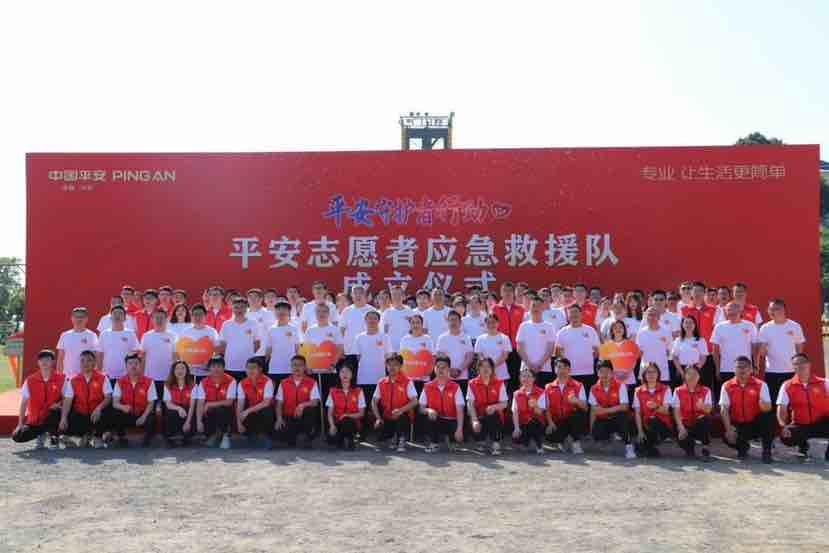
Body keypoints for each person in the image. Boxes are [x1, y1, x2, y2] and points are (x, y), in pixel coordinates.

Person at [720, 356, 774, 463]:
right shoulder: (727, 386)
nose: (742, 370)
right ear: (734, 370)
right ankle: (743, 447)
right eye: (739, 367)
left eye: (745, 367)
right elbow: (724, 409)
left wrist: (764, 405)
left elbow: (768, 407)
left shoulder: (761, 385)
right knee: (726, 436)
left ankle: (767, 451)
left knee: (767, 416)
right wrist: (729, 429)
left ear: (751, 369)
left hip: (755, 423)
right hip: (738, 424)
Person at [776, 353, 829, 460]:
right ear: (793, 367)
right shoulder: (787, 385)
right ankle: (803, 444)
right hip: (800, 424)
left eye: (803, 362)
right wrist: (783, 426)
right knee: (786, 437)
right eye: (796, 364)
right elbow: (782, 408)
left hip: (822, 423)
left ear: (809, 364)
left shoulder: (825, 383)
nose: (800, 366)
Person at [60, 350, 113, 448]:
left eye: (89, 360)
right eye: (82, 361)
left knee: (109, 410)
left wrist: (99, 408)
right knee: (66, 414)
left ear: (94, 363)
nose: (85, 363)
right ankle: (83, 437)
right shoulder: (73, 380)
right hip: (81, 414)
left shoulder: (103, 378)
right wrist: (63, 418)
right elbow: (67, 401)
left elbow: (108, 397)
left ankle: (98, 437)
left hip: (96, 415)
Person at [756, 298, 805, 404]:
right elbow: (762, 353)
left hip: (791, 371)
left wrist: (798, 367)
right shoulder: (765, 328)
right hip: (772, 372)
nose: (772, 312)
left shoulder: (795, 326)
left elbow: (799, 348)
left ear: (783, 310)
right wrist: (762, 348)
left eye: (775, 309)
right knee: (775, 401)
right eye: (770, 309)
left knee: (793, 402)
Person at [12, 350, 65, 447]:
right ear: (38, 362)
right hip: (35, 421)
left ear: (53, 362)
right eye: (41, 360)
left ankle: (54, 437)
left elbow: (68, 398)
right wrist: (20, 424)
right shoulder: (30, 380)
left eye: (47, 359)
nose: (44, 362)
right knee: (17, 436)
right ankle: (42, 433)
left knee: (56, 412)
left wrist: (60, 404)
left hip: (51, 416)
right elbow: (23, 403)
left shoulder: (62, 378)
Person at [589, 360, 636, 459]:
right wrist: (592, 430)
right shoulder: (593, 388)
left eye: (607, 371)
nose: (604, 374)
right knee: (597, 432)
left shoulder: (620, 385)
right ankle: (608, 438)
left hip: (618, 418)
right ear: (597, 373)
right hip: (604, 419)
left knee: (622, 416)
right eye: (601, 371)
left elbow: (624, 406)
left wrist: (605, 410)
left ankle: (628, 445)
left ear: (612, 373)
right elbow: (594, 410)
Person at [372, 354, 418, 452]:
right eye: (389, 364)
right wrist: (378, 418)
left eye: (395, 365)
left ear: (401, 366)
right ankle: (391, 438)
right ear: (386, 366)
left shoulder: (407, 381)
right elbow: (374, 401)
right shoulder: (381, 382)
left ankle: (401, 439)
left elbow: (415, 401)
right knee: (379, 428)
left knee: (402, 418)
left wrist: (401, 410)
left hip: (402, 416)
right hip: (387, 417)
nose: (392, 367)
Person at [419, 355, 465, 453]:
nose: (440, 370)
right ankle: (434, 443)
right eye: (438, 367)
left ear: (449, 369)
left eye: (443, 367)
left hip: (451, 421)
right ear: (434, 368)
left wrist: (459, 429)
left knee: (456, 440)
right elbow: (421, 408)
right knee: (428, 416)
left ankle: (451, 440)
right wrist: (429, 410)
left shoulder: (456, 387)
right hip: (436, 419)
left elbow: (460, 411)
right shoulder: (427, 386)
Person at [543, 358, 588, 454]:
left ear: (569, 370)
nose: (562, 370)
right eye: (559, 367)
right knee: (551, 436)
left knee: (577, 415)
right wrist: (550, 423)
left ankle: (576, 442)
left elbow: (585, 407)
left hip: (573, 419)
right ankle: (565, 439)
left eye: (565, 367)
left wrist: (576, 401)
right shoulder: (548, 387)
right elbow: (546, 408)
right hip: (558, 420)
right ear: (555, 369)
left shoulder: (578, 385)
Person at [111, 353, 157, 447]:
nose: (133, 366)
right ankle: (122, 437)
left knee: (151, 416)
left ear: (140, 365)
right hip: (128, 413)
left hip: (142, 413)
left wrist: (144, 416)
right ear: (126, 366)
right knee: (115, 412)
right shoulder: (120, 382)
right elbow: (115, 403)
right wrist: (122, 407)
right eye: (130, 363)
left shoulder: (149, 381)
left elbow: (151, 402)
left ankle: (147, 438)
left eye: (136, 363)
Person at [274, 355, 321, 448]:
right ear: (291, 367)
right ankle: (293, 438)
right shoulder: (283, 382)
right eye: (294, 365)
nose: (297, 368)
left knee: (311, 410)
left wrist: (302, 405)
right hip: (289, 416)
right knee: (281, 434)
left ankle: (307, 437)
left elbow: (315, 401)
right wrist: (279, 418)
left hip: (304, 417)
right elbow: (279, 403)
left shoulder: (312, 382)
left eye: (300, 365)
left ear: (305, 367)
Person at [303, 302, 343, 406]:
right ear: (315, 313)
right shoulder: (310, 330)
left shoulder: (334, 329)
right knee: (315, 399)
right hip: (313, 370)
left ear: (328, 313)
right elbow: (306, 350)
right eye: (319, 311)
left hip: (330, 370)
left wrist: (333, 364)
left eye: (324, 311)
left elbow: (340, 349)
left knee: (329, 400)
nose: (321, 314)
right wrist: (307, 366)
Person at [467, 357, 508, 455]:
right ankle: (480, 442)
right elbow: (470, 403)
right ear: (478, 369)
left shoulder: (499, 383)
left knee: (491, 414)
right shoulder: (472, 383)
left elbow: (504, 403)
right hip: (479, 415)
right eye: (483, 366)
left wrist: (494, 407)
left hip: (494, 416)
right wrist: (474, 420)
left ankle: (495, 443)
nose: (485, 369)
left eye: (488, 366)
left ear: (492, 369)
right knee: (473, 418)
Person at [671, 364, 713, 460]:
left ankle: (705, 448)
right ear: (684, 376)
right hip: (685, 424)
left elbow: (709, 410)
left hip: (699, 424)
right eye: (689, 374)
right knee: (683, 440)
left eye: (695, 374)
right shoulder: (678, 390)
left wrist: (702, 406)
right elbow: (676, 411)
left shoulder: (706, 390)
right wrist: (681, 427)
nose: (692, 377)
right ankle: (690, 448)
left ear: (699, 376)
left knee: (704, 419)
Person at [711, 302, 758, 388]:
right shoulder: (719, 327)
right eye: (729, 310)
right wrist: (717, 368)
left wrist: (755, 365)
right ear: (725, 312)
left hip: (745, 369)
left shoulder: (750, 326)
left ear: (740, 310)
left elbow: (755, 348)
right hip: (726, 369)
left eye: (734, 309)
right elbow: (715, 349)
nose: (731, 312)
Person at [554, 305, 600, 391]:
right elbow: (557, 353)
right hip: (569, 374)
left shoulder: (590, 330)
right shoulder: (562, 332)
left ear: (581, 314)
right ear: (568, 316)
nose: (574, 315)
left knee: (586, 398)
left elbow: (597, 352)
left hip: (588, 372)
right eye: (571, 313)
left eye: (576, 312)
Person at [491, 282, 526, 393]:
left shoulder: (521, 309)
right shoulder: (495, 309)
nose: (507, 293)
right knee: (499, 379)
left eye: (510, 291)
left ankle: (514, 401)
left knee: (515, 378)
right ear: (501, 293)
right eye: (505, 291)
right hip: (500, 350)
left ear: (514, 293)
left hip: (516, 349)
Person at [633, 363, 673, 457]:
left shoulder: (666, 389)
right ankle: (649, 448)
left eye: (654, 372)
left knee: (652, 419)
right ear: (644, 375)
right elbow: (637, 413)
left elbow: (666, 411)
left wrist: (656, 407)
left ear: (658, 374)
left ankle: (654, 443)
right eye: (648, 372)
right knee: (641, 444)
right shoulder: (638, 391)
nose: (651, 374)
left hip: (663, 425)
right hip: (646, 425)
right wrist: (640, 431)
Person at [197, 356, 237, 449]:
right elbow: (200, 403)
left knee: (221, 410)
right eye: (213, 366)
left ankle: (225, 435)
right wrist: (199, 421)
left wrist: (210, 404)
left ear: (224, 368)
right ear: (209, 368)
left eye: (219, 366)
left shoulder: (231, 381)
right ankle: (213, 435)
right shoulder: (203, 382)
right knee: (207, 413)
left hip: (225, 411)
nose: (216, 369)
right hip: (210, 411)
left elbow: (229, 402)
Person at [516, 296, 556, 387]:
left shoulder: (549, 326)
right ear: (530, 308)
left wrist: (540, 364)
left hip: (544, 369)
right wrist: (530, 365)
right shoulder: (523, 326)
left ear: (543, 308)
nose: (536, 308)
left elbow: (550, 349)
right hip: (526, 369)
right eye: (533, 306)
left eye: (538, 306)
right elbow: (519, 348)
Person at [140, 309, 178, 404]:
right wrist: (142, 375)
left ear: (166, 319)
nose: (159, 320)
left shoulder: (173, 336)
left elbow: (175, 357)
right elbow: (143, 357)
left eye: (161, 318)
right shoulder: (146, 336)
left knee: (166, 405)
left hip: (167, 378)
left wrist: (173, 376)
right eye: (156, 318)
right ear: (152, 319)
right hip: (150, 378)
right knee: (151, 405)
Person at [219, 297, 262, 381]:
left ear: (246, 308)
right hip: (230, 365)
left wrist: (247, 353)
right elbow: (223, 345)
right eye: (236, 307)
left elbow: (257, 343)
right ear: (232, 308)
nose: (239, 310)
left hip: (248, 367)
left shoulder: (253, 323)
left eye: (242, 307)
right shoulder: (226, 324)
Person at [236, 356, 275, 448]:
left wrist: (247, 411)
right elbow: (240, 404)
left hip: (264, 410)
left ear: (260, 369)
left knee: (267, 410)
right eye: (248, 368)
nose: (250, 370)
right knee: (240, 412)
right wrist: (238, 423)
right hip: (252, 410)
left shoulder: (267, 381)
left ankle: (267, 437)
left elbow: (266, 402)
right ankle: (250, 436)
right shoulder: (242, 383)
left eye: (253, 368)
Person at [96, 305, 140, 385]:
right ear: (110, 317)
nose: (117, 316)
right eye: (115, 313)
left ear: (125, 318)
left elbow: (136, 351)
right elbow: (99, 354)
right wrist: (99, 372)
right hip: (108, 375)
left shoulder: (130, 333)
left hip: (126, 376)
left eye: (120, 313)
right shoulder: (104, 334)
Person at [353, 310, 389, 406]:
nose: (372, 320)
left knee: (379, 406)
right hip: (363, 378)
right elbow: (357, 357)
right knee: (364, 405)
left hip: (380, 378)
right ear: (365, 320)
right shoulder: (359, 337)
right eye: (369, 318)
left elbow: (388, 356)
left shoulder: (385, 337)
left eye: (375, 318)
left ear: (379, 321)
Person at [326, 363, 366, 450]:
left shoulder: (358, 391)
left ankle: (350, 439)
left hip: (353, 423)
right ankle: (341, 438)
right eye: (342, 372)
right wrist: (332, 426)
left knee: (347, 421)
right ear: (339, 374)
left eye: (348, 372)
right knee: (330, 440)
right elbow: (329, 413)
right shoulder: (333, 391)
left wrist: (347, 415)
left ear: (352, 375)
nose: (345, 374)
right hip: (338, 422)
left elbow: (361, 413)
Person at [261, 301, 300, 389]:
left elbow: (297, 349)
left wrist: (299, 366)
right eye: (278, 310)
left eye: (284, 310)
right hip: (274, 368)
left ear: (289, 312)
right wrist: (264, 364)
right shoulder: (271, 329)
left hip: (290, 369)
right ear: (275, 312)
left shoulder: (294, 329)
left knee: (289, 393)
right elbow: (268, 349)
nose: (281, 312)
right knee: (274, 393)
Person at [436, 310, 474, 393]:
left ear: (460, 322)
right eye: (451, 320)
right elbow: (440, 356)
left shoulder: (466, 337)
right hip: (446, 377)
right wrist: (449, 370)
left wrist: (459, 370)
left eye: (455, 320)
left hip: (463, 377)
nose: (453, 322)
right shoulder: (442, 338)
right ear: (448, 322)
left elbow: (470, 356)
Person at [163, 360, 199, 447]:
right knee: (170, 412)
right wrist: (178, 408)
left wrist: (188, 422)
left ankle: (186, 436)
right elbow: (168, 404)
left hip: (188, 411)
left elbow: (192, 406)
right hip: (175, 409)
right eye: (177, 368)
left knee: (190, 413)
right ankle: (171, 437)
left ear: (187, 371)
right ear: (173, 371)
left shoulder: (193, 385)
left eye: (183, 368)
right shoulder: (167, 384)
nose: (180, 371)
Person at [57, 307, 99, 378]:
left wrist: (93, 376)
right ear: (72, 318)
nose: (79, 319)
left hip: (85, 377)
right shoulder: (65, 335)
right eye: (76, 317)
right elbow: (60, 358)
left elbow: (96, 357)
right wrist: (59, 376)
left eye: (82, 317)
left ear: (86, 319)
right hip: (68, 377)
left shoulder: (92, 335)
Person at [339, 284, 377, 363]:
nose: (358, 295)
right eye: (355, 293)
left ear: (365, 295)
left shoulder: (372, 310)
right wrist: (341, 348)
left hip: (368, 350)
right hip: (350, 351)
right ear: (352, 295)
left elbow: (377, 330)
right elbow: (341, 331)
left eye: (360, 293)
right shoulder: (347, 311)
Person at [511, 368, 546, 454]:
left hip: (537, 423)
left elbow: (540, 413)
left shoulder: (541, 392)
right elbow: (515, 412)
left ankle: (539, 446)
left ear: (534, 379)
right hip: (523, 423)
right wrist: (516, 428)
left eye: (529, 376)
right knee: (516, 439)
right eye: (523, 376)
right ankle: (527, 442)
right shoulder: (516, 393)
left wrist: (535, 406)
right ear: (520, 378)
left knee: (532, 423)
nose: (526, 379)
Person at [635, 307, 672, 384]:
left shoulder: (666, 331)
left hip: (662, 371)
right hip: (646, 371)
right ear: (646, 317)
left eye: (654, 315)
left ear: (659, 317)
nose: (652, 317)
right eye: (649, 315)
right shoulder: (641, 333)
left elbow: (669, 351)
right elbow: (639, 352)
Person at [474, 314, 512, 382]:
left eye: (493, 322)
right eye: (488, 323)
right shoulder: (480, 338)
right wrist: (487, 366)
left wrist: (492, 365)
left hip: (501, 374)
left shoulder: (504, 338)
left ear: (498, 323)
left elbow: (505, 355)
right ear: (485, 324)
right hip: (485, 374)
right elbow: (480, 355)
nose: (491, 325)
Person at [671, 316, 708, 384]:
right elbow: (675, 357)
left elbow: (703, 357)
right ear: (682, 325)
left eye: (691, 322)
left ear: (695, 325)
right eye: (686, 322)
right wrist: (681, 371)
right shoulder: (678, 340)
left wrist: (696, 369)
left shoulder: (700, 340)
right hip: (682, 370)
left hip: (696, 370)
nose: (688, 325)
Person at [381, 285, 415, 353]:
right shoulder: (387, 313)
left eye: (399, 294)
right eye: (394, 294)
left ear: (403, 296)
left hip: (407, 348)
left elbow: (413, 329)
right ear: (391, 296)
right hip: (392, 349)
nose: (397, 297)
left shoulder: (409, 311)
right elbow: (384, 332)